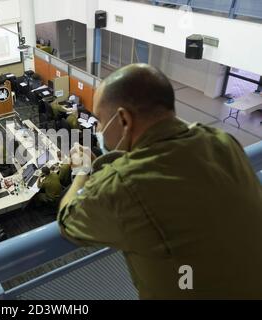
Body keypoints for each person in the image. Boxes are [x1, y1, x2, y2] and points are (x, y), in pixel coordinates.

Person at [57, 63, 262, 299]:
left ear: (124, 120)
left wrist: (83, 170)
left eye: (100, 120)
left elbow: (68, 220)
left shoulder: (124, 185)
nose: (99, 129)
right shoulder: (222, 141)